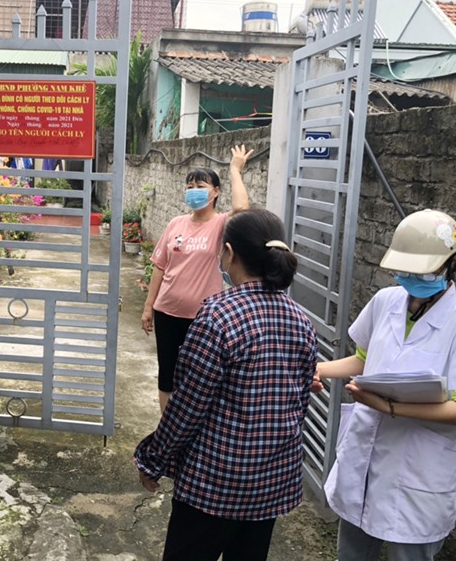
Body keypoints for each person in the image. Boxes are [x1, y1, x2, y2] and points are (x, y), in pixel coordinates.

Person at [134, 209, 318, 561]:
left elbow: (187, 407)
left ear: (229, 253)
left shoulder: (218, 316)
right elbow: (298, 406)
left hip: (214, 484)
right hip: (269, 485)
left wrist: (152, 460)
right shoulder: (300, 320)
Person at [316, 209, 456, 561]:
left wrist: (390, 407)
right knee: (351, 553)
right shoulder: (386, 301)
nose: (411, 279)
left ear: (452, 263)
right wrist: (319, 369)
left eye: (422, 272)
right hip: (364, 459)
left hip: (418, 475)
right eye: (405, 271)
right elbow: (364, 359)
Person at [141, 144, 253, 413]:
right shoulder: (175, 223)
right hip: (167, 312)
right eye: (189, 186)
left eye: (200, 186)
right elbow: (160, 267)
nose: (193, 191)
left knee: (199, 378)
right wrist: (148, 307)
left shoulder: (220, 224)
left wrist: (235, 169)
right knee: (167, 374)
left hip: (203, 318)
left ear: (216, 192)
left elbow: (242, 207)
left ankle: (194, 428)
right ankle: (168, 428)